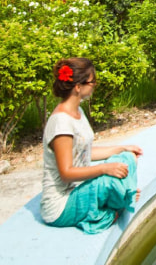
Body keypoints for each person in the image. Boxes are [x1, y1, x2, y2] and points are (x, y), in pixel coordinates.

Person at [40, 58, 143, 234]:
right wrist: (104, 168)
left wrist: (122, 149)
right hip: (63, 203)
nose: (94, 85)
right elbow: (66, 173)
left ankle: (124, 193)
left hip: (80, 187)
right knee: (110, 180)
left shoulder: (77, 111)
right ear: (78, 87)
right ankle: (116, 202)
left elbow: (84, 153)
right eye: (92, 81)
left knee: (127, 158)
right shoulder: (61, 123)